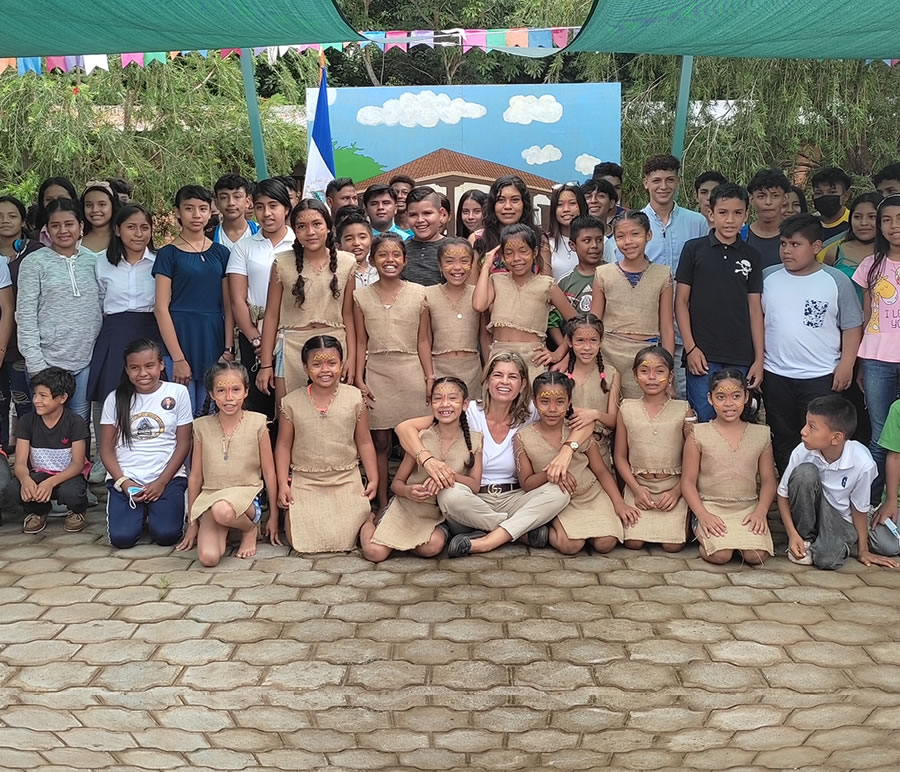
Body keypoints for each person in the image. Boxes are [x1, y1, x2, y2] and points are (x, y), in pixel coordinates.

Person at [396, 351, 587, 558]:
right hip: (472, 500)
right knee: (449, 494)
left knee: (559, 491)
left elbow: (587, 421)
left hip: (515, 498)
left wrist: (567, 451)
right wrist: (428, 461)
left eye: (512, 376)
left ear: (523, 384)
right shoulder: (468, 411)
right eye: (498, 375)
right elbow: (404, 428)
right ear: (487, 380)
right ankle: (520, 531)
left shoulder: (533, 412)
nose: (504, 382)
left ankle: (487, 540)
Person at [763, 214, 863, 474]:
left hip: (821, 375)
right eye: (783, 244)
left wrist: (847, 364)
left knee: (821, 438)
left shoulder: (836, 280)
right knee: (783, 435)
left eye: (795, 244)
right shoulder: (767, 277)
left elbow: (852, 325)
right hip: (776, 373)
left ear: (816, 246)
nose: (787, 251)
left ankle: (825, 489)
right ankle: (790, 487)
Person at [273, 335, 377, 552]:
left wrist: (373, 478)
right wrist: (283, 484)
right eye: (317, 364)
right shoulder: (291, 403)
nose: (325, 370)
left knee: (348, 534)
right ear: (305, 368)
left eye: (332, 363)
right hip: (307, 482)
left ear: (342, 364)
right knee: (300, 540)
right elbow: (283, 446)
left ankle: (368, 516)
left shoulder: (355, 398)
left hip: (345, 479)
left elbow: (365, 442)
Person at [362, 376, 482, 562]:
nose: (445, 404)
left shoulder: (474, 440)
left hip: (436, 513)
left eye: (452, 398)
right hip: (408, 507)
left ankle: (401, 542)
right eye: (437, 399)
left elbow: (474, 485)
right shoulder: (421, 438)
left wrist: (446, 475)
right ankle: (370, 520)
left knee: (432, 547)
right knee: (374, 553)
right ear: (430, 403)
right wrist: (408, 491)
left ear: (465, 404)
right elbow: (397, 484)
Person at [517, 372, 637, 555]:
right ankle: (541, 530)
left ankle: (591, 528)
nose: (552, 409)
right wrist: (551, 474)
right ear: (534, 401)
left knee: (606, 543)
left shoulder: (577, 429)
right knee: (571, 545)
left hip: (591, 493)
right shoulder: (523, 437)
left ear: (569, 402)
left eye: (560, 402)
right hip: (560, 499)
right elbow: (526, 483)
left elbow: (601, 471)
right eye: (545, 401)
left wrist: (619, 503)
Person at [354, 233, 430, 511]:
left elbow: (424, 341)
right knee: (380, 440)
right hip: (377, 371)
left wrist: (429, 377)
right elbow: (361, 341)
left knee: (416, 438)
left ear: (405, 260)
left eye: (396, 254)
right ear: (373, 260)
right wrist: (359, 377)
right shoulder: (360, 296)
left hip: (411, 372)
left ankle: (416, 499)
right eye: (383, 255)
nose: (390, 260)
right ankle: (383, 502)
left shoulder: (419, 293)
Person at [675, 183, 764, 421]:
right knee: (703, 418)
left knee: (736, 418)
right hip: (702, 354)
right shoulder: (693, 250)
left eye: (737, 213)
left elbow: (755, 309)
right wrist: (691, 348)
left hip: (740, 355)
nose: (730, 220)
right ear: (711, 213)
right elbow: (681, 302)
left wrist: (759, 359)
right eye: (723, 212)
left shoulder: (752, 256)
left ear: (746, 215)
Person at [777, 395, 898, 569]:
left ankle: (831, 542)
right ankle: (805, 540)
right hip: (809, 512)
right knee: (805, 473)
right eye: (806, 424)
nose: (803, 431)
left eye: (812, 427)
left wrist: (863, 550)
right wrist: (792, 534)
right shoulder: (802, 451)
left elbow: (859, 509)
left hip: (840, 520)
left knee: (827, 560)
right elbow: (783, 495)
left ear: (836, 438)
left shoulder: (863, 463)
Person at [178, 362, 277, 565]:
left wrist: (274, 516)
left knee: (222, 510)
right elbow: (195, 476)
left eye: (236, 390)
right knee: (208, 558)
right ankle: (228, 529)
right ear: (212, 394)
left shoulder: (258, 423)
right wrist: (193, 522)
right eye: (221, 390)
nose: (229, 397)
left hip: (246, 496)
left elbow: (269, 472)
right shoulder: (201, 426)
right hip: (212, 496)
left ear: (246, 392)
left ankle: (249, 528)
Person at [257, 199, 356, 401]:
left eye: (317, 224)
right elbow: (271, 315)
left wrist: (352, 358)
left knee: (336, 410)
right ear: (295, 231)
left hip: (335, 348)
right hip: (292, 346)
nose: (310, 232)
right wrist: (266, 364)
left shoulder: (347, 262)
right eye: (302, 226)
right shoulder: (282, 263)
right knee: (289, 410)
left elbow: (348, 315)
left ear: (328, 226)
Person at [99, 339, 193, 548]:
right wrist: (124, 482)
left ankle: (156, 510)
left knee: (167, 535)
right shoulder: (115, 399)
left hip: (167, 477)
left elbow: (184, 443)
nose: (143, 373)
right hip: (127, 479)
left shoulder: (178, 393)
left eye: (149, 366)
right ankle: (139, 513)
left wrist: (162, 482)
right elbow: (106, 449)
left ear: (162, 364)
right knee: (122, 539)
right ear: (127, 370)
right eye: (135, 368)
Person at [16, 198, 101, 423]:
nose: (63, 230)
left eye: (69, 224)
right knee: (47, 427)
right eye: (55, 225)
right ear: (47, 229)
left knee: (79, 424)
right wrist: (36, 365)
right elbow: (25, 315)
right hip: (46, 362)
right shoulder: (34, 263)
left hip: (85, 361)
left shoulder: (94, 262)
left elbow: (101, 308)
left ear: (80, 226)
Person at [681, 369, 776, 565]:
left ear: (746, 397)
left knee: (755, 556)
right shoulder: (698, 434)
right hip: (710, 506)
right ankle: (700, 532)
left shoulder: (761, 434)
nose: (729, 403)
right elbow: (688, 482)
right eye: (721, 397)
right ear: (710, 398)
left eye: (736, 396)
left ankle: (739, 540)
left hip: (747, 508)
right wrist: (703, 515)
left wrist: (760, 511)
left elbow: (768, 480)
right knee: (721, 555)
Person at [153, 185, 233, 417]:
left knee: (212, 411)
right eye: (189, 209)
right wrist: (177, 358)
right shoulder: (168, 254)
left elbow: (229, 305)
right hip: (180, 336)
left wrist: (228, 348)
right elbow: (160, 308)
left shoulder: (221, 253)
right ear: (177, 212)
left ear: (211, 212)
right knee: (182, 413)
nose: (196, 215)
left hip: (213, 337)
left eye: (202, 209)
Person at [634, 154, 708, 397]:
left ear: (678, 181)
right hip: (645, 328)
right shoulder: (634, 224)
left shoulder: (697, 223)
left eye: (669, 180)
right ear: (646, 183)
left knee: (682, 397)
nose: (663, 186)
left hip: (687, 330)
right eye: (656, 180)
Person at [226, 178, 294, 420]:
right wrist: (257, 340)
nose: (267, 213)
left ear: (286, 208)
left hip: (292, 333)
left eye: (273, 205)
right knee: (258, 404)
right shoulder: (243, 247)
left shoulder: (298, 243)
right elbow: (237, 300)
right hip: (253, 332)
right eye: (260, 206)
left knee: (292, 403)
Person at [473, 223, 576, 383]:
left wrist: (559, 354)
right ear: (502, 256)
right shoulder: (496, 281)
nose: (516, 259)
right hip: (499, 360)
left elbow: (576, 322)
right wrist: (486, 266)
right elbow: (479, 305)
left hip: (533, 361)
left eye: (523, 251)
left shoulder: (547, 285)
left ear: (535, 252)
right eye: (509, 253)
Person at [615, 346, 694, 552]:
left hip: (673, 486)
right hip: (639, 486)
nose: (652, 377)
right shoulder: (626, 408)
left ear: (671, 376)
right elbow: (620, 457)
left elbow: (694, 460)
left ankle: (686, 518)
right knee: (633, 543)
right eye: (644, 371)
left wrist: (677, 492)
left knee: (672, 546)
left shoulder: (683, 410)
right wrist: (636, 489)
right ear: (635, 375)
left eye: (659, 371)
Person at [590, 211, 675, 400]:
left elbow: (667, 327)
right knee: (606, 408)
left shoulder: (663, 275)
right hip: (608, 355)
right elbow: (594, 324)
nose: (628, 241)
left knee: (640, 410)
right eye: (621, 236)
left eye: (635, 234)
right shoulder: (603, 274)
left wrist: (668, 372)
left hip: (646, 358)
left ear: (648, 235)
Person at [89, 205, 163, 410]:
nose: (139, 234)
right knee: (112, 398)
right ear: (117, 230)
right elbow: (99, 301)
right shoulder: (102, 261)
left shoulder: (160, 261)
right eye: (131, 227)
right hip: (114, 334)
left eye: (144, 227)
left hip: (152, 332)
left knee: (151, 399)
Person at [852, 195, 900, 503]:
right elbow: (866, 316)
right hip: (877, 359)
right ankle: (869, 504)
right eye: (887, 220)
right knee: (881, 435)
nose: (894, 226)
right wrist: (859, 363)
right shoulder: (871, 265)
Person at [15, 367, 89, 534]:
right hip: (38, 473)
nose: (36, 400)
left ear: (62, 398)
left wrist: (51, 482)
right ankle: (38, 511)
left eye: (43, 396)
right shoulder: (27, 421)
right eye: (35, 395)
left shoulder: (75, 422)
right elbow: (19, 462)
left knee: (73, 493)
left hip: (67, 475)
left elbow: (78, 464)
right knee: (14, 489)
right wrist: (25, 479)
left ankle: (77, 511)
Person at [419, 238, 483, 400]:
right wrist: (429, 376)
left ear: (472, 264)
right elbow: (424, 339)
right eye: (449, 261)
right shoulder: (427, 294)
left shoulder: (478, 294)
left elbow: (484, 337)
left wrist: (488, 373)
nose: (457, 267)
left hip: (472, 370)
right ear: (440, 266)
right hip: (440, 369)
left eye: (464, 261)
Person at [0, 195, 41, 444]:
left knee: (25, 400)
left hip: (22, 342)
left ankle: (31, 452)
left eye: (12, 215)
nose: (5, 220)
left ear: (23, 220)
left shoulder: (35, 252)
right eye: (0, 216)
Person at [565, 314, 620, 466]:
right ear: (569, 342)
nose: (587, 347)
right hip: (568, 448)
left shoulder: (611, 374)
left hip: (599, 449)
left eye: (593, 340)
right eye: (580, 340)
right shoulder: (561, 374)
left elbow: (614, 421)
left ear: (601, 341)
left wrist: (595, 414)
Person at [547, 214, 606, 348]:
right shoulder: (564, 282)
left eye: (599, 240)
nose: (594, 245)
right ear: (573, 245)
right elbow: (553, 320)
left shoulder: (613, 274)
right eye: (587, 240)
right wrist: (567, 348)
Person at [471, 176, 550, 271]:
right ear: (493, 205)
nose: (507, 206)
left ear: (524, 203)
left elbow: (546, 278)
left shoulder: (539, 237)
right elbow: (472, 280)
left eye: (515, 200)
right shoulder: (477, 239)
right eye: (501, 200)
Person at [819, 192, 883, 291]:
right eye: (857, 217)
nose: (863, 223)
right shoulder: (835, 252)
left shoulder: (893, 252)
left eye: (872, 217)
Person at [866, 398, 900, 559]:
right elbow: (894, 458)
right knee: (885, 545)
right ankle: (869, 516)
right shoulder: (898, 409)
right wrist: (891, 501)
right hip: (898, 500)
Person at [400, 187, 448, 287]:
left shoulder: (453, 248)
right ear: (406, 215)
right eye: (413, 215)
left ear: (441, 214)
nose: (420, 220)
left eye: (427, 213)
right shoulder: (400, 250)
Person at [744, 167, 791, 269]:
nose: (768, 202)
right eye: (761, 196)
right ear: (751, 199)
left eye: (775, 196)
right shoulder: (740, 236)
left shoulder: (795, 235)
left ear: (785, 198)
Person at [546, 183, 588, 281]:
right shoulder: (546, 243)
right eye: (560, 205)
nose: (566, 209)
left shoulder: (600, 240)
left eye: (572, 203)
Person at [211, 174, 259, 249]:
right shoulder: (208, 237)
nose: (231, 203)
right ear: (217, 203)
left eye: (237, 196)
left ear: (247, 201)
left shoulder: (262, 233)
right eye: (224, 197)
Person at [337, 207, 378, 288]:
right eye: (349, 239)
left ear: (371, 240)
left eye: (362, 237)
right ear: (339, 246)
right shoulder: (336, 275)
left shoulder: (379, 272)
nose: (356, 243)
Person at [31, 176, 77, 245]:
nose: (56, 204)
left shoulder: (87, 234)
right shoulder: (34, 238)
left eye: (61, 198)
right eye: (49, 200)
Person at [812, 166, 853, 241]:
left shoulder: (854, 223)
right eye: (818, 193)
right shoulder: (808, 225)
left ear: (846, 196)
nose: (825, 197)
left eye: (832, 192)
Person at [79, 182, 119, 257]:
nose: (95, 210)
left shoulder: (123, 237)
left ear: (113, 206)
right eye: (89, 205)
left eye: (102, 204)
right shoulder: (76, 237)